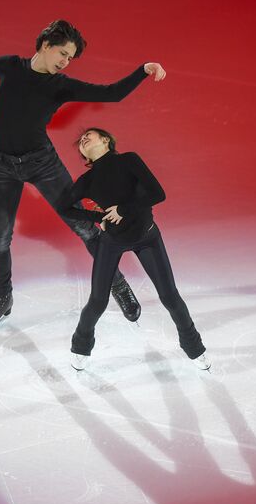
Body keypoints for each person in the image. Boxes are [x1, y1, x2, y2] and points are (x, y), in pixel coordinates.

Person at [0, 20, 166, 328]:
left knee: (84, 227)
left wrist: (143, 70)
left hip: (42, 163)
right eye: (63, 53)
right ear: (45, 45)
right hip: (2, 166)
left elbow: (111, 94)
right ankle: (2, 295)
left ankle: (118, 285)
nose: (65, 61)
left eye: (70, 58)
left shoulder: (61, 85)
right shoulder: (10, 66)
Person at [56, 128, 210, 371]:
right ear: (84, 154)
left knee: (170, 296)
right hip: (112, 241)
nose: (84, 139)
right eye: (81, 141)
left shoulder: (128, 160)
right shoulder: (87, 181)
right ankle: (80, 348)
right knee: (97, 301)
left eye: (90, 135)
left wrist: (122, 210)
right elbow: (63, 206)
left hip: (146, 237)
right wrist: (98, 217)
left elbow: (157, 194)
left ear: (106, 140)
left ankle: (195, 348)